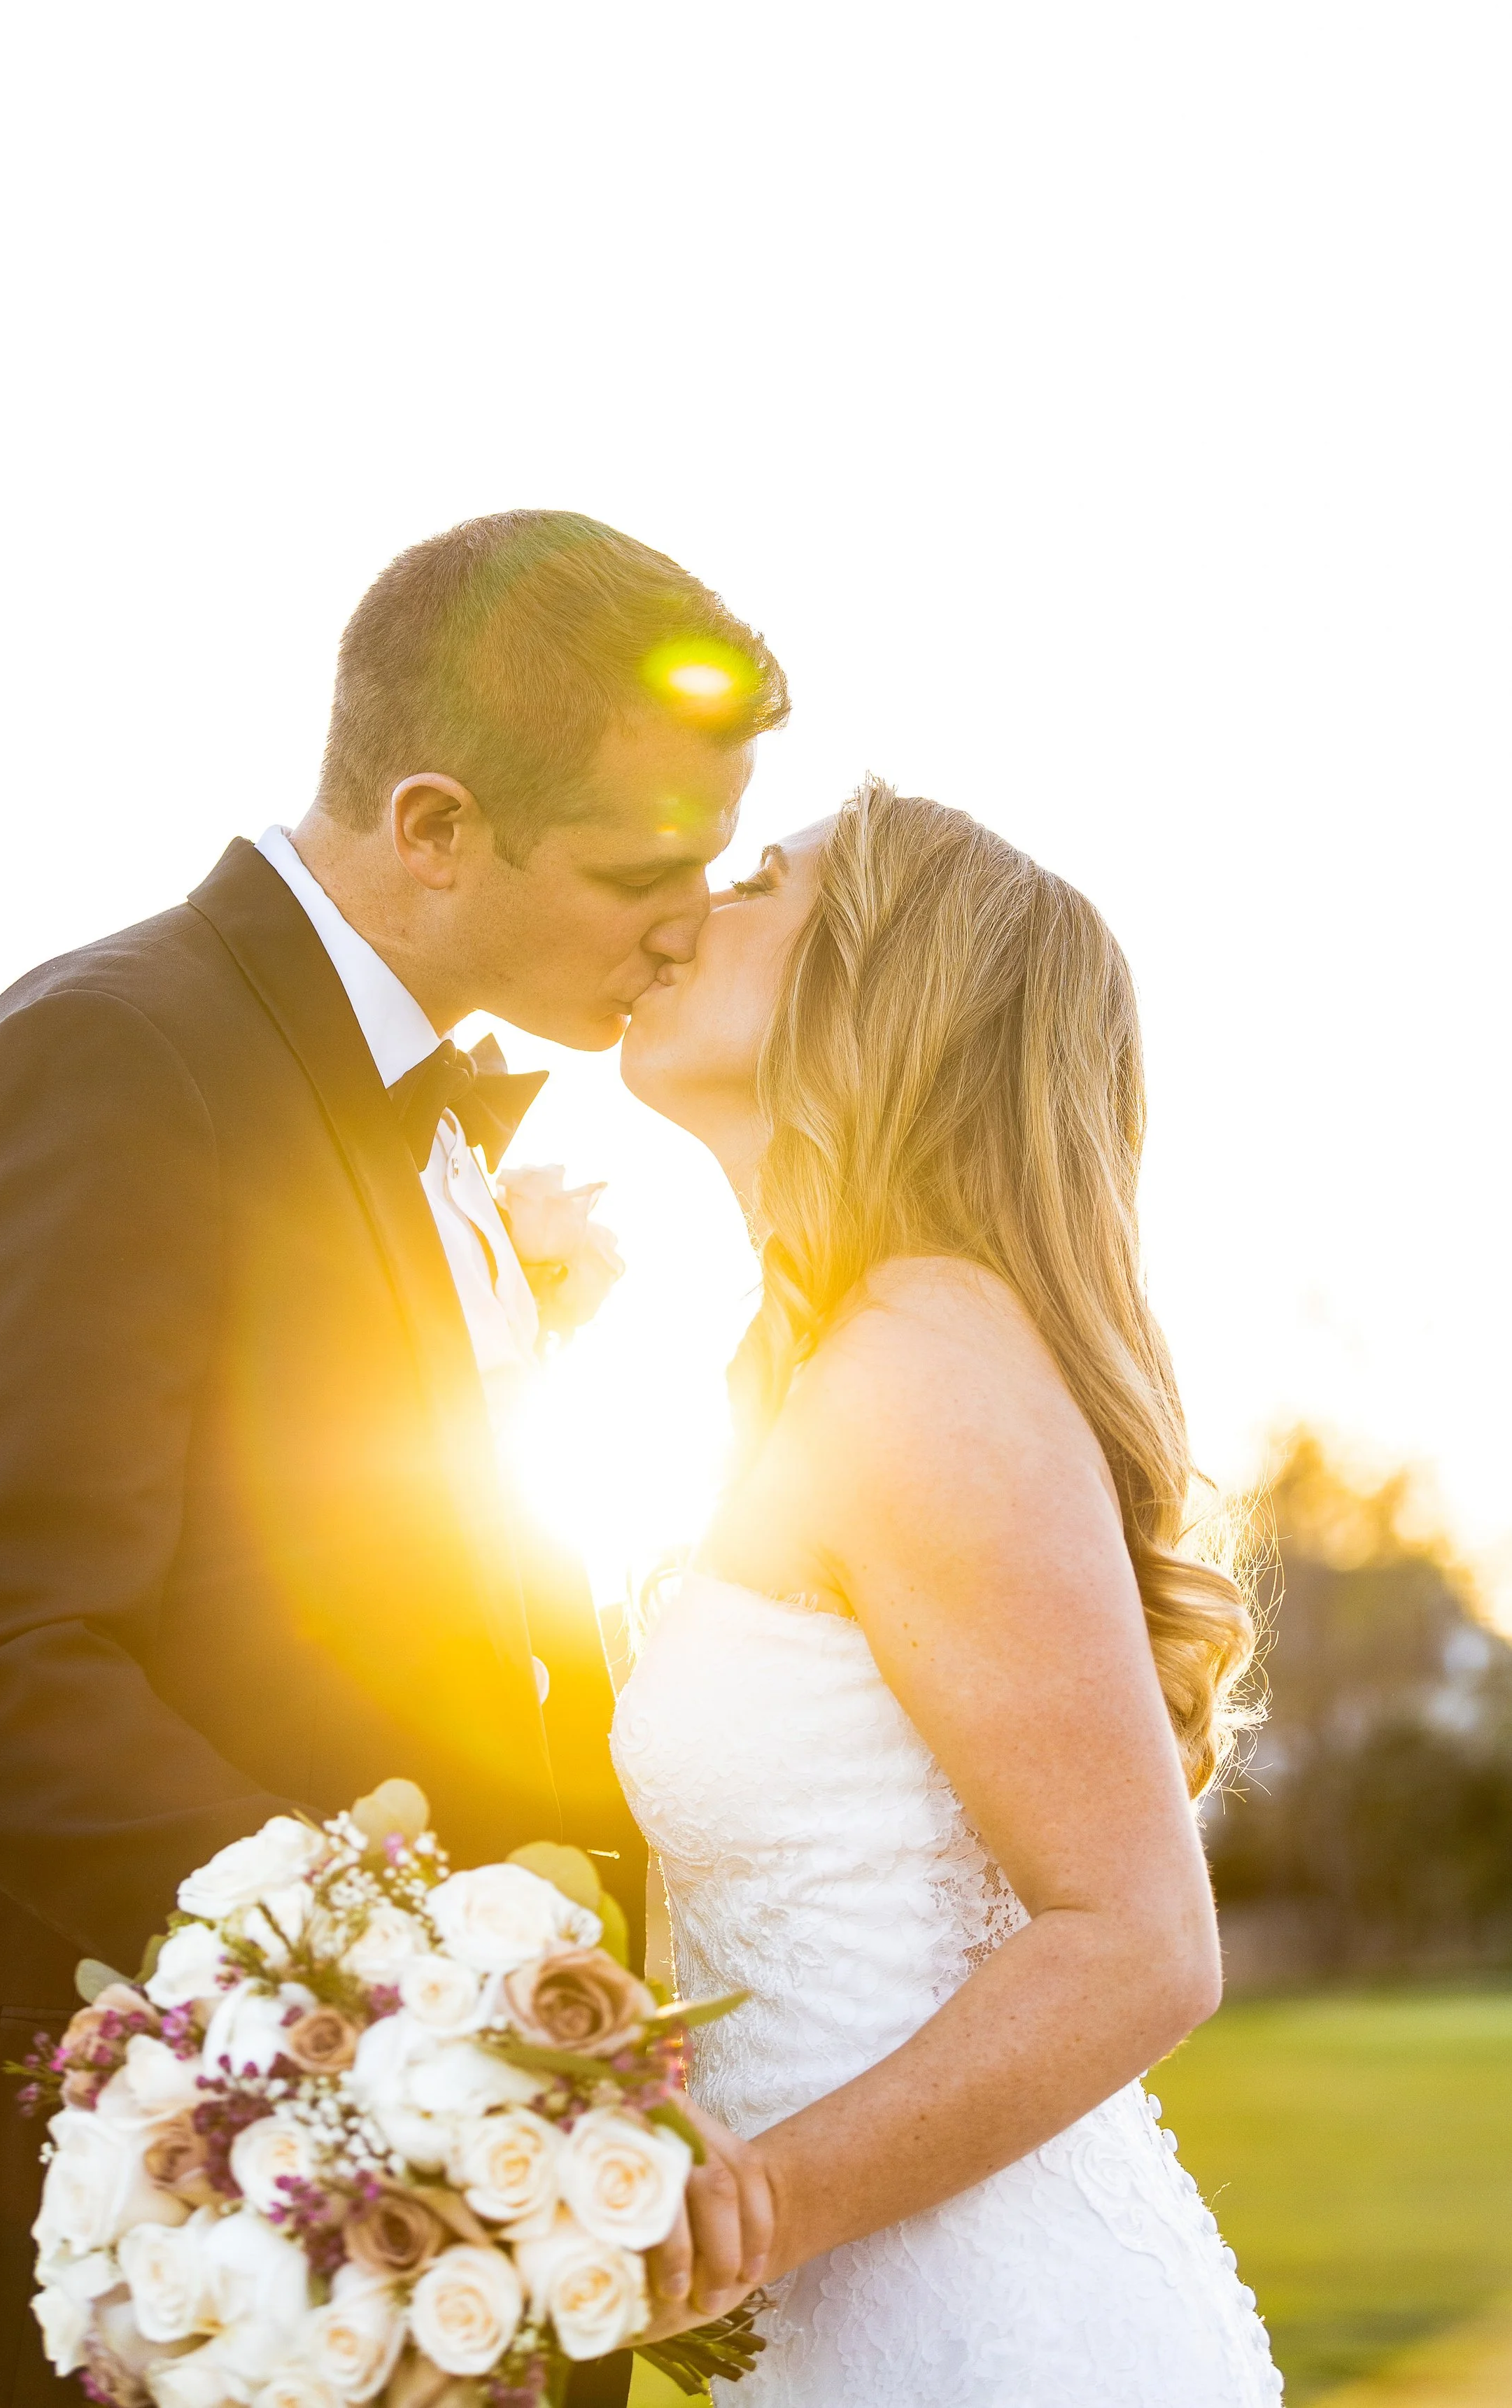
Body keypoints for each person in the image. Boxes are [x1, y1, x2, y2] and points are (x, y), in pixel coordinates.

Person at [0, 511, 787, 2408]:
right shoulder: (110, 1061)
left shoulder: (399, 1118)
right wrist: (427, 2002)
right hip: (158, 2256)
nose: (683, 917)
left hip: (403, 2257)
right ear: (429, 826)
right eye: (639, 866)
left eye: (714, 866)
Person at [615, 782, 1283, 2405]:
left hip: (999, 2344)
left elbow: (1136, 1942)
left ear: (875, 983)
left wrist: (747, 2209)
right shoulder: (827, 1369)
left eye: (758, 876)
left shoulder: (920, 1362)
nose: (691, 891)